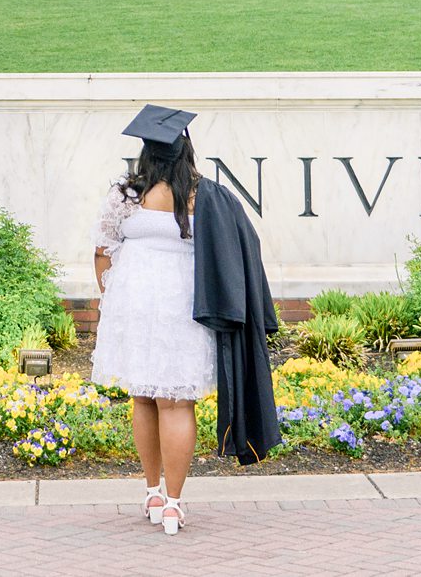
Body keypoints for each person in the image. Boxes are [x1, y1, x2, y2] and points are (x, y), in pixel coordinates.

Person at [91, 104, 281, 536]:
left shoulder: (126, 194)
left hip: (135, 306)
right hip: (185, 306)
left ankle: (152, 492)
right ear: (186, 152)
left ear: (147, 155)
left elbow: (103, 252)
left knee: (143, 396)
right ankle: (174, 504)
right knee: (176, 402)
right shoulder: (205, 196)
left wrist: (111, 298)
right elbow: (240, 246)